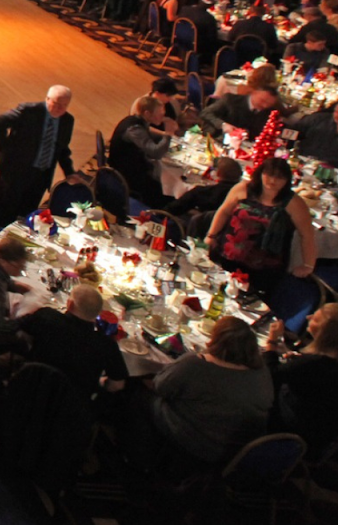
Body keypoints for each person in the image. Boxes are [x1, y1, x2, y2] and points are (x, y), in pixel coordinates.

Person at [143, 316, 272, 468]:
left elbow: (160, 386)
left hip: (196, 442)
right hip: (234, 452)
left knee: (139, 390)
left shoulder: (196, 365)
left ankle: (135, 456)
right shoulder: (262, 372)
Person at [204, 158, 318, 287]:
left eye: (279, 177)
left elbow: (307, 235)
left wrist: (308, 265)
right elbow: (224, 211)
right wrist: (211, 235)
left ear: (287, 180)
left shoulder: (294, 203)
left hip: (264, 268)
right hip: (227, 255)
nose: (273, 181)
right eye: (269, 175)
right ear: (261, 173)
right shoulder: (243, 188)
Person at [18, 284, 129, 398]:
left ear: (69, 304)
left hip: (30, 389)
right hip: (71, 407)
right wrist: (100, 384)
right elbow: (117, 385)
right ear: (98, 314)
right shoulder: (107, 345)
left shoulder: (47, 317)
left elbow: (19, 328)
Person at [0, 86, 78, 226]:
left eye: (64, 105)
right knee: (4, 213)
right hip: (14, 172)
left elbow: (62, 148)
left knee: (27, 215)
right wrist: (3, 149)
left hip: (40, 176)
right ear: (47, 99)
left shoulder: (67, 120)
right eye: (56, 103)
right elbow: (0, 121)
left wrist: (69, 172)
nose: (59, 108)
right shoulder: (29, 110)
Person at [266, 304, 338, 458]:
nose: (308, 317)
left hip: (290, 432)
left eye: (315, 320)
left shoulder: (314, 363)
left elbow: (269, 376)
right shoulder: (327, 362)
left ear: (326, 334)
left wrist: (271, 343)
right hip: (320, 436)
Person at [110, 95, 171, 208]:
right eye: (160, 114)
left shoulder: (136, 121)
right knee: (160, 184)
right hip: (125, 171)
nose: (162, 116)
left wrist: (163, 135)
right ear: (147, 113)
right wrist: (168, 135)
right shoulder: (134, 129)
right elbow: (155, 153)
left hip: (131, 163)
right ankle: (160, 210)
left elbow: (146, 133)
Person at [166, 157, 243, 239]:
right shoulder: (243, 197)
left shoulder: (204, 192)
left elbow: (174, 208)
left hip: (197, 231)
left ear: (219, 173)